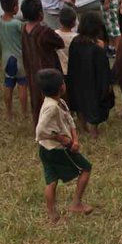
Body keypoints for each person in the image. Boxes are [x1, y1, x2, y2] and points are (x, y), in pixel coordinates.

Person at [34, 69, 93, 221]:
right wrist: (60, 138)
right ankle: (76, 203)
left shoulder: (59, 103)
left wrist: (75, 139)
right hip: (58, 150)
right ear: (61, 87)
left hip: (46, 149)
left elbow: (70, 121)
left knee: (51, 179)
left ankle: (52, 213)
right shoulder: (52, 107)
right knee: (86, 168)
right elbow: (39, 131)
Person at [66, 12, 115, 137]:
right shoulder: (97, 49)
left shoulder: (75, 42)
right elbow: (103, 70)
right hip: (93, 83)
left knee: (79, 103)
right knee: (95, 105)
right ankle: (93, 129)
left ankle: (82, 127)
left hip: (77, 80)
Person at [20, 0, 64, 127]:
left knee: (36, 98)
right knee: (51, 99)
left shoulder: (24, 30)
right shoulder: (44, 31)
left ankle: (39, 124)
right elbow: (60, 42)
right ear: (40, 14)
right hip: (48, 72)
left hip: (32, 71)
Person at [0, 0, 27, 120]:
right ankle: (24, 112)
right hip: (19, 59)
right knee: (22, 85)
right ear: (15, 7)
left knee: (8, 85)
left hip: (6, 59)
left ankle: (8, 112)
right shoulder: (17, 24)